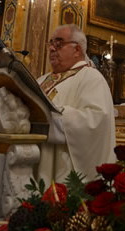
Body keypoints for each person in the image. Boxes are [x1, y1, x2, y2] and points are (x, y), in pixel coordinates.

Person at [36, 24, 116, 186]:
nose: (51, 48)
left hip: (65, 170)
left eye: (59, 43)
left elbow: (96, 121)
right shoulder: (41, 80)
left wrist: (54, 117)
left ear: (77, 50)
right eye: (50, 43)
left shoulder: (92, 78)